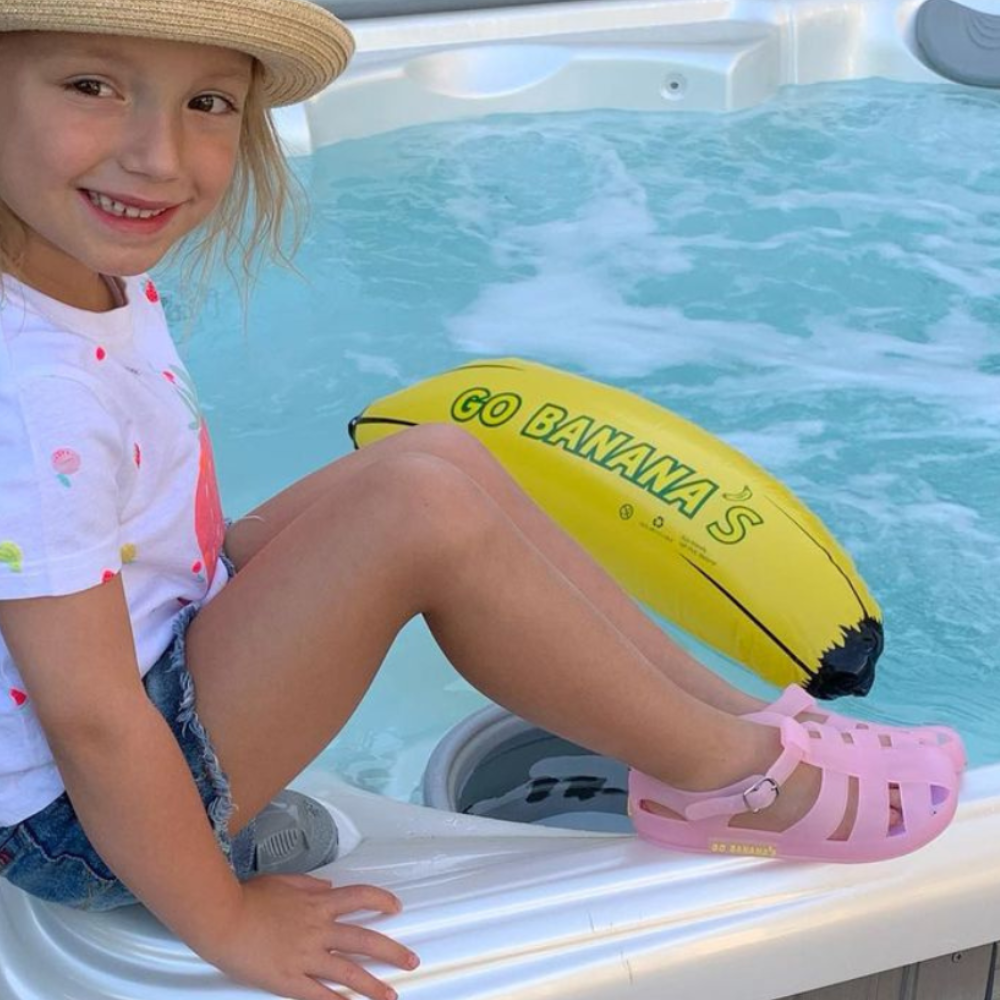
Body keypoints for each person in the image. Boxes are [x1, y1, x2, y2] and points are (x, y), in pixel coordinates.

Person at [0, 2, 963, 999]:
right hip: (85, 826)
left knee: (439, 455)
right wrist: (226, 921)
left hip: (151, 664)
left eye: (207, 102)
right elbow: (94, 719)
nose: (157, 155)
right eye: (91, 86)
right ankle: (736, 777)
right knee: (421, 510)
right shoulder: (31, 392)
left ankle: (737, 721)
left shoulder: (79, 271)